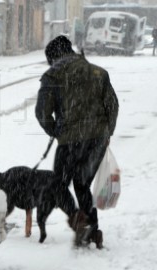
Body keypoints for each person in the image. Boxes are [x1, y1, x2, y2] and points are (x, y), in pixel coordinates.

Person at [35, 35, 119, 248]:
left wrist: (55, 131)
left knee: (59, 184)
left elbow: (42, 113)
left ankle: (77, 218)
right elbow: (112, 105)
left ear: (53, 57)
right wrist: (107, 132)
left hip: (71, 140)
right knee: (82, 183)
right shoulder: (98, 72)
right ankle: (93, 230)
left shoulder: (52, 75)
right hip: (97, 139)